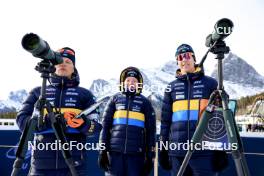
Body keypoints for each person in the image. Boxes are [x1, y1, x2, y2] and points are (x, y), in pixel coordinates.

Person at [16, 47, 101, 176]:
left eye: (68, 62)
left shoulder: (85, 94)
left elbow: (96, 128)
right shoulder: (38, 92)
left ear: (74, 68)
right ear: (53, 65)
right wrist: (43, 122)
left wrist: (83, 123)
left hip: (74, 167)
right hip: (40, 168)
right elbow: (21, 121)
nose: (63, 64)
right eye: (60, 60)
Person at [159, 44, 228, 176]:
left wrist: (221, 150)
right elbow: (165, 122)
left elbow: (220, 117)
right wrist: (163, 149)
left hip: (204, 152)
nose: (184, 60)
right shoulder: (171, 87)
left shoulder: (211, 83)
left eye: (187, 55)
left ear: (194, 59)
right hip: (177, 152)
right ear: (177, 62)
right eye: (180, 57)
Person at [98, 66, 156, 176]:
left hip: (136, 156)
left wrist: (150, 156)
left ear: (139, 83)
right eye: (128, 80)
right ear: (123, 82)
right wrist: (102, 151)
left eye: (134, 81)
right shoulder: (114, 100)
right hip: (115, 155)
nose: (131, 83)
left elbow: (151, 132)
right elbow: (105, 128)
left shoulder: (145, 103)